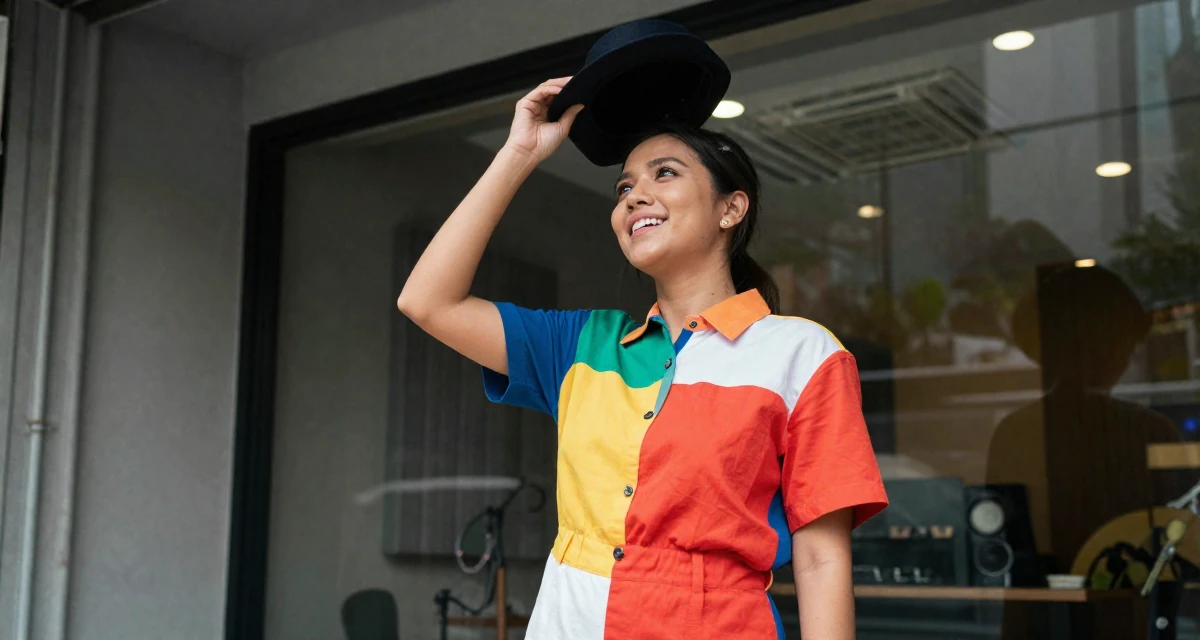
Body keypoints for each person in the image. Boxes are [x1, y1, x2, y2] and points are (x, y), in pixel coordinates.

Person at [397, 77, 888, 639]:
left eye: (665, 173)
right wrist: (520, 152)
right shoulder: (582, 346)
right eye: (623, 186)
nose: (634, 195)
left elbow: (822, 561)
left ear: (731, 209)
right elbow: (427, 301)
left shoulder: (803, 354)